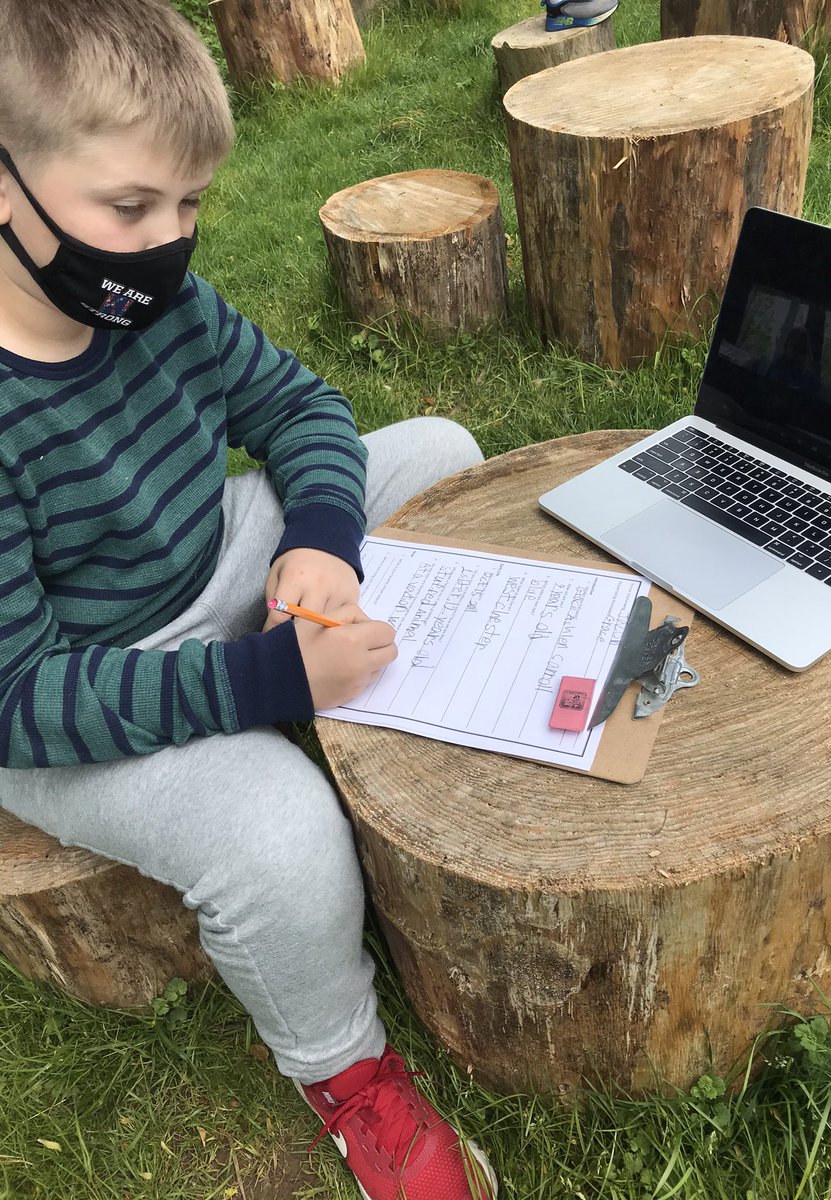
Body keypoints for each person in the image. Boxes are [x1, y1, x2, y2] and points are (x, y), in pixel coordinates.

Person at [0, 2, 497, 1198]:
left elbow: (303, 410)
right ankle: (348, 1075)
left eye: (190, 208)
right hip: (67, 694)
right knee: (280, 838)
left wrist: (319, 542)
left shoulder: (157, 301)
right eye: (130, 209)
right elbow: (19, 697)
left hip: (212, 561)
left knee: (433, 446)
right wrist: (262, 679)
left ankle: (360, 703)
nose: (166, 246)